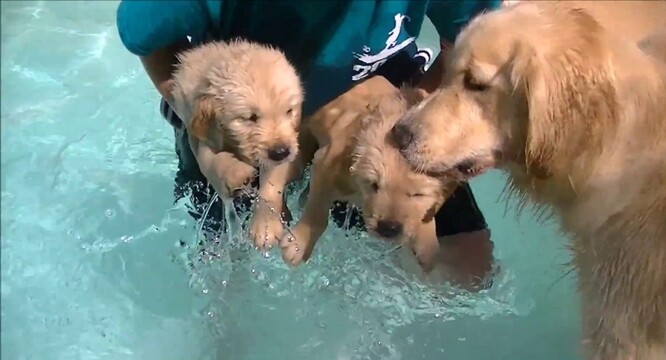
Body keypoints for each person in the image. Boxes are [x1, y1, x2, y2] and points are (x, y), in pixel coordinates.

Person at [116, 0, 500, 288]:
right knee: (225, 268)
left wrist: (415, 109)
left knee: (469, 273)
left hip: (380, 104)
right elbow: (150, 41)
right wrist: (205, 141)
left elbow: (469, 44)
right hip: (245, 116)